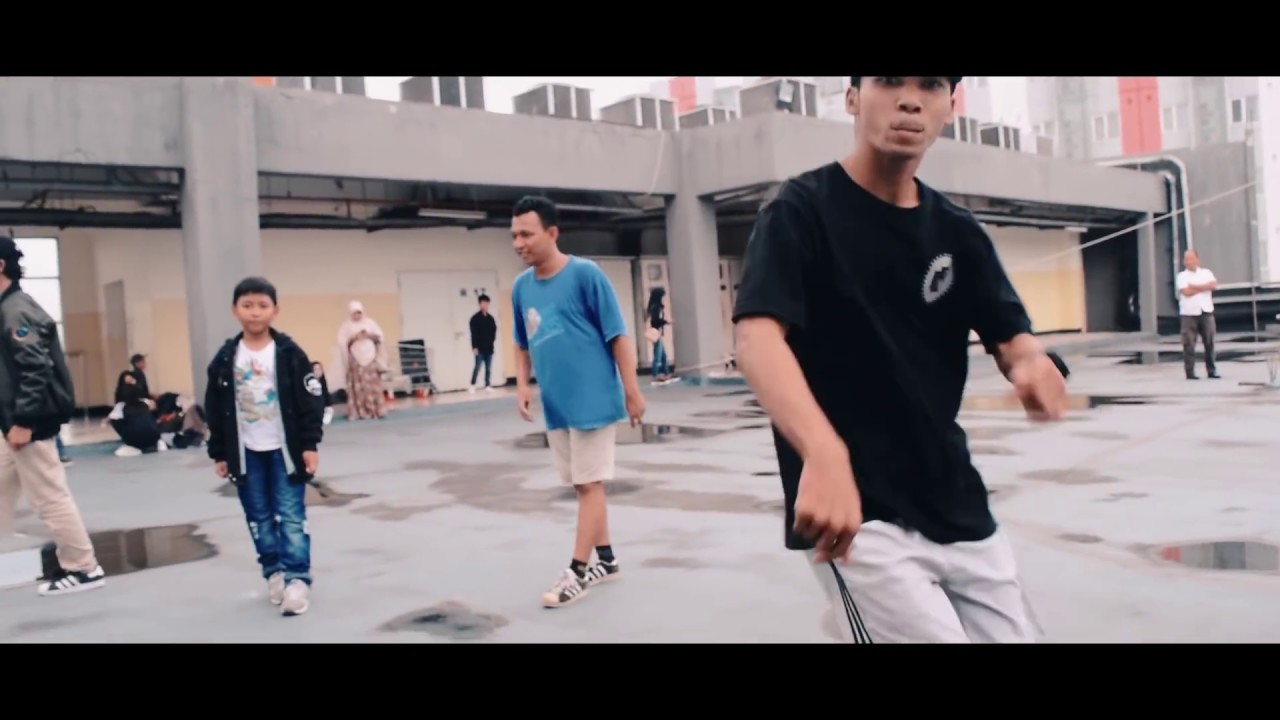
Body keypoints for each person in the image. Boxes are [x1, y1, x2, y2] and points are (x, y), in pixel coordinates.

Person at [731, 77, 1068, 643]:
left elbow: (1013, 338)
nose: (910, 99)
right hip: (857, 515)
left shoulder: (957, 231)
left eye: (930, 85)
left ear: (950, 106)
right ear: (852, 97)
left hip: (955, 500)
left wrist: (1033, 365)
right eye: (890, 80)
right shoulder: (800, 211)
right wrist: (823, 451)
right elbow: (757, 340)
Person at [510, 196, 645, 608]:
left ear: (552, 233)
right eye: (514, 235)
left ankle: (578, 571)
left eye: (526, 234)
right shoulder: (521, 287)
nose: (518, 243)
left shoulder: (586, 275)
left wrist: (632, 390)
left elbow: (618, 335)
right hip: (557, 404)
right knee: (583, 483)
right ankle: (607, 559)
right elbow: (521, 342)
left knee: (589, 485)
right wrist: (522, 385)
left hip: (593, 400)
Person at [205, 277, 325, 617]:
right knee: (258, 516)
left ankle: (297, 579)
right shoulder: (225, 358)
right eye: (247, 305)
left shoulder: (289, 354)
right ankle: (274, 572)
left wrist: (309, 444)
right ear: (235, 310)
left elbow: (310, 402)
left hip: (285, 452)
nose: (255, 312)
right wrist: (219, 452)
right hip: (245, 454)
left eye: (262, 305)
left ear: (275, 311)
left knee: (291, 515)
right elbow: (214, 407)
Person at [0, 235, 105, 595]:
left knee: (49, 497)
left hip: (27, 424)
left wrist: (24, 421)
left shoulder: (16, 311)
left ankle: (84, 568)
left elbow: (35, 370)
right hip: (12, 423)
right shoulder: (7, 307)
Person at [337, 300, 388, 420]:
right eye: (354, 313)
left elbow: (380, 336)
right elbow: (342, 342)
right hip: (356, 359)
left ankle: (376, 410)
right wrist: (354, 337)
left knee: (372, 385)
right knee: (359, 386)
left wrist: (369, 335)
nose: (357, 316)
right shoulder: (346, 326)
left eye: (359, 313)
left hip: (370, 358)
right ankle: (361, 411)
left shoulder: (370, 323)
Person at [1176, 248, 1219, 380]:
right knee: (1188, 343)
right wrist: (1203, 287)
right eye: (1186, 259)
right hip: (1188, 314)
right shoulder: (1181, 276)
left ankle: (1211, 370)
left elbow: (1213, 285)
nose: (1188, 262)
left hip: (1206, 312)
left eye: (1191, 259)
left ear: (1197, 259)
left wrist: (1194, 286)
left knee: (1209, 342)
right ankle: (1190, 372)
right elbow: (1186, 292)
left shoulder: (1206, 273)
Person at [469, 293, 498, 392]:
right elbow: (473, 334)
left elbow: (494, 331)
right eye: (483, 303)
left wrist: (492, 341)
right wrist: (474, 347)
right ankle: (472, 384)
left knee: (488, 367)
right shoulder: (475, 319)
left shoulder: (490, 318)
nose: (485, 305)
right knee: (477, 366)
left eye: (487, 303)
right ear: (480, 304)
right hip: (479, 347)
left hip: (489, 347)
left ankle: (487, 385)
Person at [645, 287, 674, 383]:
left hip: (657, 333)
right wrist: (666, 322)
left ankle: (666, 373)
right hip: (656, 333)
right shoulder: (656, 307)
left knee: (663, 355)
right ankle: (655, 375)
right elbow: (655, 321)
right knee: (658, 355)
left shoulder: (654, 306)